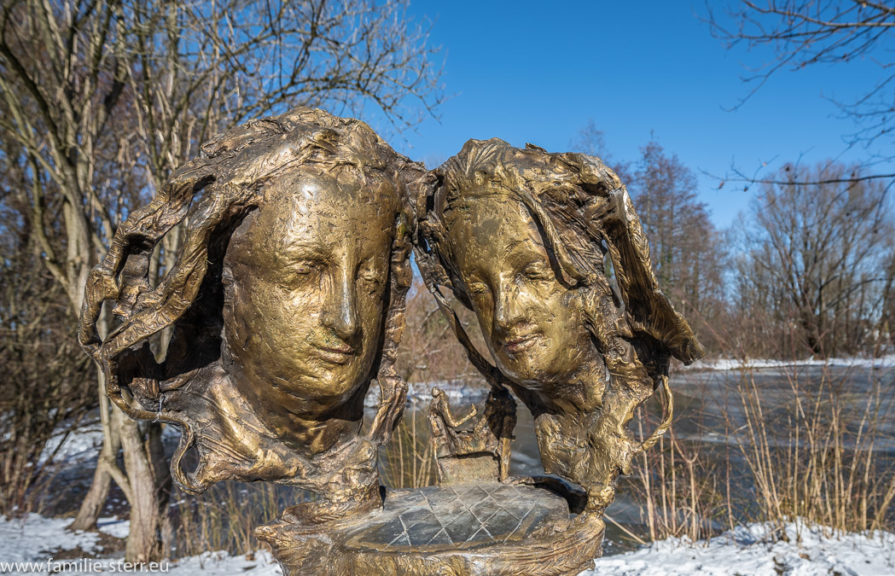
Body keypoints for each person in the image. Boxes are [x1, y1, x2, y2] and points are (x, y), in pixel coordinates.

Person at [79, 108, 422, 502]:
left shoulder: (368, 432)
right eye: (306, 272)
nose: (347, 321)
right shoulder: (227, 433)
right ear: (227, 285)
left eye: (370, 280)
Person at [414, 138, 703, 513]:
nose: (504, 316)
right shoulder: (524, 410)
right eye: (479, 288)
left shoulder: (615, 402)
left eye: (530, 274)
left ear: (585, 282)